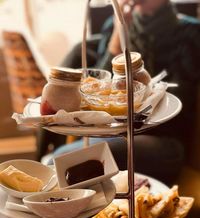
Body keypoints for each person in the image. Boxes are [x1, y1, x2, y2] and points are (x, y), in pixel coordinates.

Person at [47, 0, 200, 185]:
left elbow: (179, 105)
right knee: (60, 162)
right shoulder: (114, 24)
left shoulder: (190, 33)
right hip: (116, 131)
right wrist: (114, 46)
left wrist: (142, 89)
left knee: (61, 160)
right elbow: (93, 89)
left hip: (163, 141)